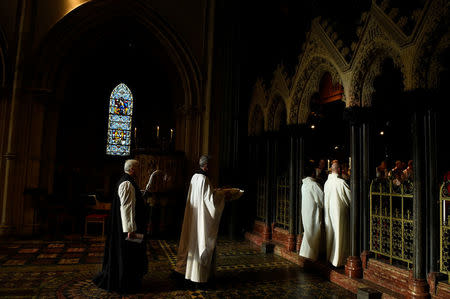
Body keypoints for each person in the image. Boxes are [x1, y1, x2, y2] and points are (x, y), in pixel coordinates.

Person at [173, 155, 229, 288]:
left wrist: (214, 192)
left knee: (191, 243)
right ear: (207, 166)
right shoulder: (204, 179)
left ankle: (188, 274)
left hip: (194, 217)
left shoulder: (194, 177)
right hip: (201, 220)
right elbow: (210, 202)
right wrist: (222, 194)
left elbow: (202, 197)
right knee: (200, 244)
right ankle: (198, 277)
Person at [93, 159, 148, 293]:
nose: (139, 171)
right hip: (127, 230)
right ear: (132, 170)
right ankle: (126, 282)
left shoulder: (127, 182)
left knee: (130, 254)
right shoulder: (127, 184)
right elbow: (126, 208)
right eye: (138, 168)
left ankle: (130, 280)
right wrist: (130, 230)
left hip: (126, 228)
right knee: (128, 255)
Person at [324, 160, 351, 267]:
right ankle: (338, 260)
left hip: (329, 211)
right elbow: (350, 198)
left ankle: (330, 257)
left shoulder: (327, 182)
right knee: (340, 234)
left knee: (331, 234)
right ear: (339, 169)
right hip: (339, 212)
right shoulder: (341, 182)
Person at [299, 162, 324, 261]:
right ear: (313, 173)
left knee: (308, 233)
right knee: (314, 234)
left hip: (306, 212)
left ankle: (306, 255)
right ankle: (311, 257)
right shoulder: (313, 185)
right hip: (313, 213)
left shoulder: (304, 184)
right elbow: (322, 199)